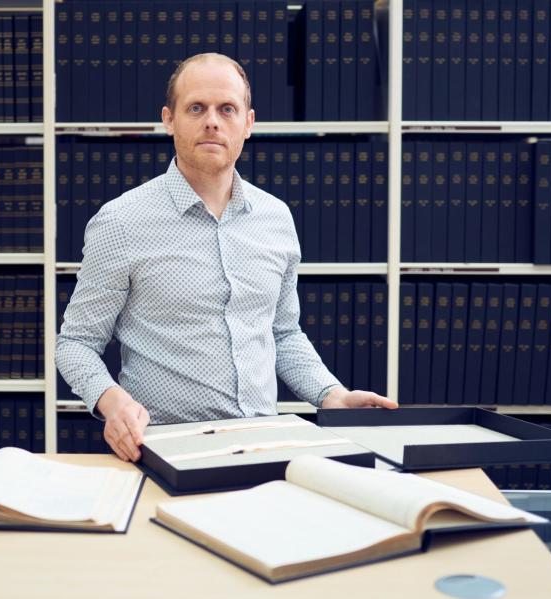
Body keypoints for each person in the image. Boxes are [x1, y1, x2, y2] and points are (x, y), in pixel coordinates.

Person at [56, 53, 396, 462]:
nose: (212, 121)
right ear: (169, 120)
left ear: (248, 124)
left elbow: (283, 334)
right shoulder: (121, 222)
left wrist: (331, 395)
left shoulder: (276, 218)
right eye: (196, 108)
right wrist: (111, 402)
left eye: (227, 109)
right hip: (165, 450)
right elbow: (75, 343)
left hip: (264, 446)